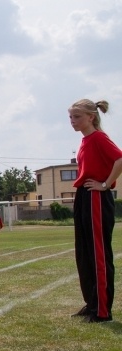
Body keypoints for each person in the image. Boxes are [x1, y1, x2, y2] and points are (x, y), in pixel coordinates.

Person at [68, 99, 122, 323]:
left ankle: (102, 310)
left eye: (77, 116)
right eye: (71, 117)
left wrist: (105, 184)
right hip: (84, 196)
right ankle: (92, 303)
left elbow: (119, 159)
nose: (73, 121)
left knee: (98, 253)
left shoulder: (99, 137)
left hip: (97, 197)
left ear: (91, 116)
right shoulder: (84, 141)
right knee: (84, 253)